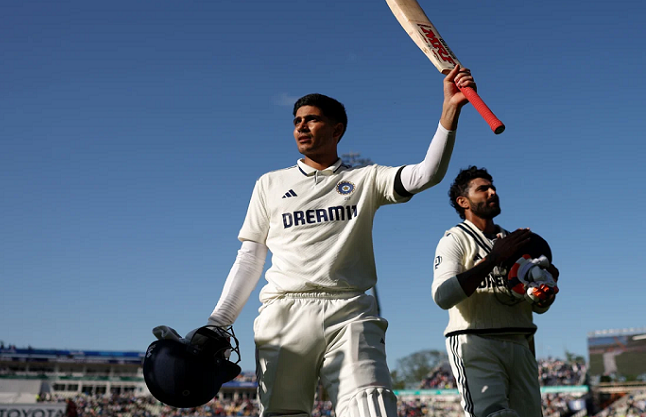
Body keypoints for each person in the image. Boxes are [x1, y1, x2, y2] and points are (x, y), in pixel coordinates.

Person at [199, 66, 478, 417]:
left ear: (337, 129)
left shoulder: (366, 178)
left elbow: (427, 174)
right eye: (297, 121)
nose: (301, 126)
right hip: (284, 312)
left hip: (351, 311)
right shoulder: (269, 183)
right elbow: (250, 257)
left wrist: (449, 110)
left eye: (312, 119)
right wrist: (218, 321)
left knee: (372, 409)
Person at [431, 166, 560, 417]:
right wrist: (492, 260)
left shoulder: (518, 241)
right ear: (463, 201)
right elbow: (443, 296)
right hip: (475, 340)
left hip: (520, 342)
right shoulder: (454, 239)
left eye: (493, 188)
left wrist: (545, 294)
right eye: (483, 189)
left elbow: (537, 307)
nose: (492, 192)